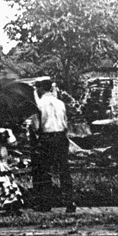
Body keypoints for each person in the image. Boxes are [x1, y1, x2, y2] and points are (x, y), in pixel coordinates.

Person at [30, 79, 75, 213]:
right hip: (61, 137)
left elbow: (36, 126)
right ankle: (69, 201)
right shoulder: (60, 103)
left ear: (41, 89)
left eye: (38, 88)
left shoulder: (38, 105)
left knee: (44, 170)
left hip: (47, 137)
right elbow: (65, 123)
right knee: (64, 169)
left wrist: (33, 132)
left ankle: (45, 203)